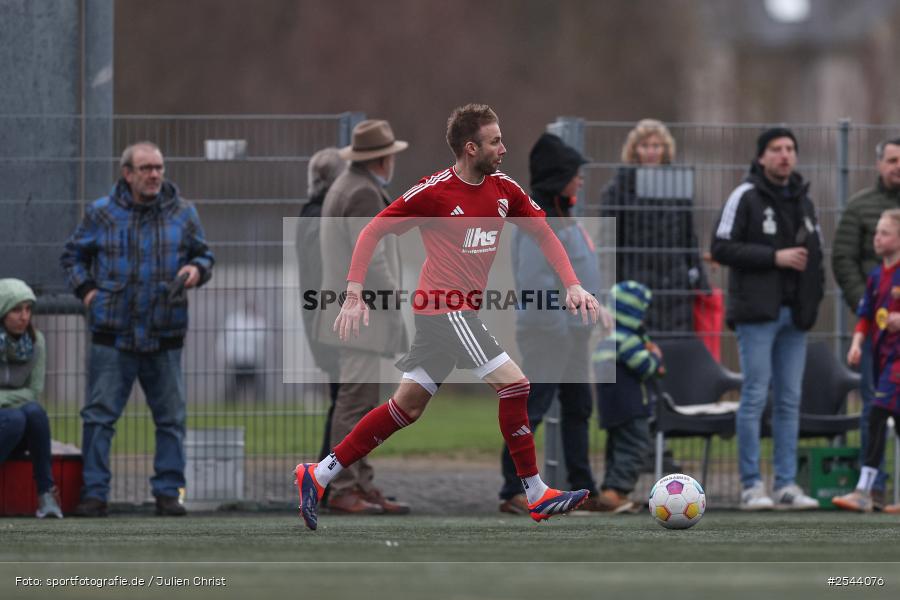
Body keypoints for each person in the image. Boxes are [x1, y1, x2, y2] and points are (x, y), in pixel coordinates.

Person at [295, 103, 611, 530]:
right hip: (443, 310)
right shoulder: (434, 191)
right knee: (516, 385)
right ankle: (535, 493)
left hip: (454, 314)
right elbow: (373, 230)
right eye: (495, 141)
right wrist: (353, 292)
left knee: (405, 408)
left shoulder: (504, 189)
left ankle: (318, 474)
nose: (504, 147)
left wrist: (572, 284)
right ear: (470, 147)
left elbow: (543, 232)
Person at [60, 141, 215, 517]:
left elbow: (204, 254)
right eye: (146, 168)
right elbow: (72, 257)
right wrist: (89, 292)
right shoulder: (101, 214)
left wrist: (196, 270)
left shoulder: (183, 213)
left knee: (171, 420)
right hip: (113, 334)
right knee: (99, 417)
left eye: (159, 167)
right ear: (127, 173)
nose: (155, 174)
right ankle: (94, 494)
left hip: (164, 335)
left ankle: (168, 493)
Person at [711, 127, 824, 510]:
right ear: (762, 157)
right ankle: (751, 485)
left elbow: (817, 257)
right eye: (776, 149)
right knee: (755, 395)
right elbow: (720, 246)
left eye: (790, 148)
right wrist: (773, 257)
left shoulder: (805, 201)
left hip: (796, 316)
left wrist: (811, 303)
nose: (785, 155)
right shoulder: (745, 196)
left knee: (790, 399)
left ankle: (787, 485)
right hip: (757, 314)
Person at [498, 133, 602, 514]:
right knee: (532, 409)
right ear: (559, 177)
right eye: (575, 173)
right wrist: (557, 328)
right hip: (548, 333)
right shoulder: (537, 218)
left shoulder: (562, 213)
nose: (581, 180)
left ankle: (584, 488)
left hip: (571, 334)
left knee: (578, 408)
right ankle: (512, 488)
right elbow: (535, 283)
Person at [311, 120, 411, 515]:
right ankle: (345, 487)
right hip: (360, 318)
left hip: (348, 316)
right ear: (383, 158)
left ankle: (360, 482)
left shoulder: (349, 186)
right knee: (356, 406)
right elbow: (370, 259)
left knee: (360, 404)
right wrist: (395, 299)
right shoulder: (364, 193)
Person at [831, 137, 900, 510]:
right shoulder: (876, 277)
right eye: (892, 159)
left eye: (884, 234)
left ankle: (865, 489)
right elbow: (864, 309)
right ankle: (871, 490)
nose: (876, 239)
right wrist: (860, 339)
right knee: (882, 414)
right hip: (881, 352)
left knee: (876, 412)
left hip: (897, 360)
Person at [600, 119, 708, 340]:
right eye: (645, 145)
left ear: (665, 149)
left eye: (657, 146)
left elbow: (689, 236)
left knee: (676, 348)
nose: (651, 151)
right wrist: (610, 283)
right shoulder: (619, 188)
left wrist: (699, 278)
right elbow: (610, 240)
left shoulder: (677, 184)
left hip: (675, 284)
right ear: (634, 150)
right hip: (635, 278)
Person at [592, 281, 664, 513]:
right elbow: (646, 367)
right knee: (635, 447)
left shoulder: (604, 339)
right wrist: (656, 358)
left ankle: (611, 491)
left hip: (609, 407)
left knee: (617, 448)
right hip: (631, 406)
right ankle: (616, 490)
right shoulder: (628, 339)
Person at [296, 147, 347, 465]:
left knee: (344, 401)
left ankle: (335, 478)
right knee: (345, 403)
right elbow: (326, 278)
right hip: (331, 324)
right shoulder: (319, 220)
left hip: (327, 321)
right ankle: (329, 478)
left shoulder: (314, 216)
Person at [0, 279, 63, 519]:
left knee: (34, 413)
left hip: (14, 427)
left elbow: (34, 392)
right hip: (8, 423)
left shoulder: (37, 342)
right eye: (16, 309)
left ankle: (46, 495)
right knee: (17, 417)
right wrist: (14, 401)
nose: (24, 316)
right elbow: (24, 395)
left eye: (28, 309)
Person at [217, 303, 267, 403]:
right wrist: (225, 355)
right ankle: (230, 402)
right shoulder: (234, 320)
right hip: (237, 359)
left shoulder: (258, 320)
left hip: (252, 359)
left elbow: (264, 336)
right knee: (234, 385)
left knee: (256, 385)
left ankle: (259, 402)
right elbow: (225, 338)